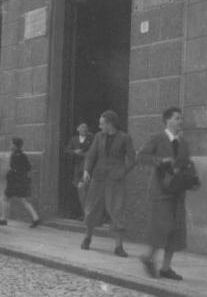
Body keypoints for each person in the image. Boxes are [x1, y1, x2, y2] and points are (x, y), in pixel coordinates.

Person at [137, 107, 197, 280]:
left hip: (177, 191)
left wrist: (191, 177)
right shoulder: (157, 139)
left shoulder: (183, 143)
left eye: (181, 119)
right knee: (163, 227)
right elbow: (141, 157)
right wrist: (160, 161)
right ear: (167, 121)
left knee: (176, 230)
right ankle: (148, 257)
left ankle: (166, 267)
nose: (180, 121)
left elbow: (187, 163)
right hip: (161, 191)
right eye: (177, 118)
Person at [81, 110, 135, 257]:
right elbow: (91, 155)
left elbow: (132, 159)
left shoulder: (125, 138)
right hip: (99, 178)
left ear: (110, 124)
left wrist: (122, 171)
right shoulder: (99, 137)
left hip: (116, 180)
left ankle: (118, 247)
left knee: (117, 210)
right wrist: (86, 170)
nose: (99, 126)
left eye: (102, 123)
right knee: (91, 207)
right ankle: (87, 238)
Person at [0, 137, 40, 228]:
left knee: (6, 198)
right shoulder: (23, 155)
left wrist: (9, 174)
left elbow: (12, 168)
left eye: (11, 144)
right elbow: (28, 168)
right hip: (22, 180)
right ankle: (35, 217)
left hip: (14, 181)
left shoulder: (14, 155)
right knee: (24, 200)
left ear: (15, 146)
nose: (10, 145)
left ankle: (3, 219)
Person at [66, 122, 94, 220]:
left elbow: (94, 150)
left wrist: (86, 154)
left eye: (86, 127)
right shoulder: (74, 139)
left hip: (88, 167)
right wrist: (74, 152)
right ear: (77, 129)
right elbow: (67, 150)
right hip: (77, 167)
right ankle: (85, 213)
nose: (84, 129)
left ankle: (88, 214)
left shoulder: (91, 138)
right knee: (80, 190)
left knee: (84, 190)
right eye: (82, 127)